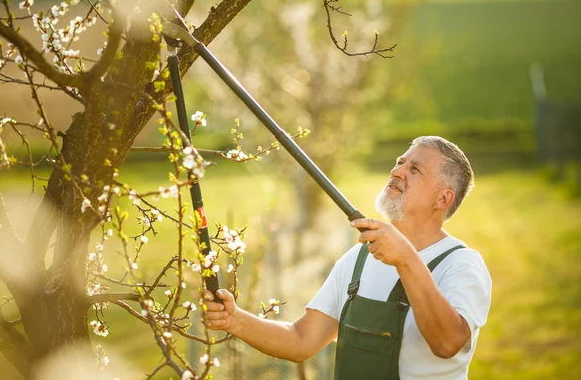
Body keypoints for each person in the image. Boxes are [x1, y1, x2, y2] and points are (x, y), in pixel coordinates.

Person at [204, 135, 492, 379]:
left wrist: (406, 259)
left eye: (414, 169)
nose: (398, 171)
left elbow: (447, 343)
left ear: (443, 199)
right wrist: (235, 321)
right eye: (400, 162)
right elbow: (301, 340)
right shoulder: (359, 258)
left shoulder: (461, 265)